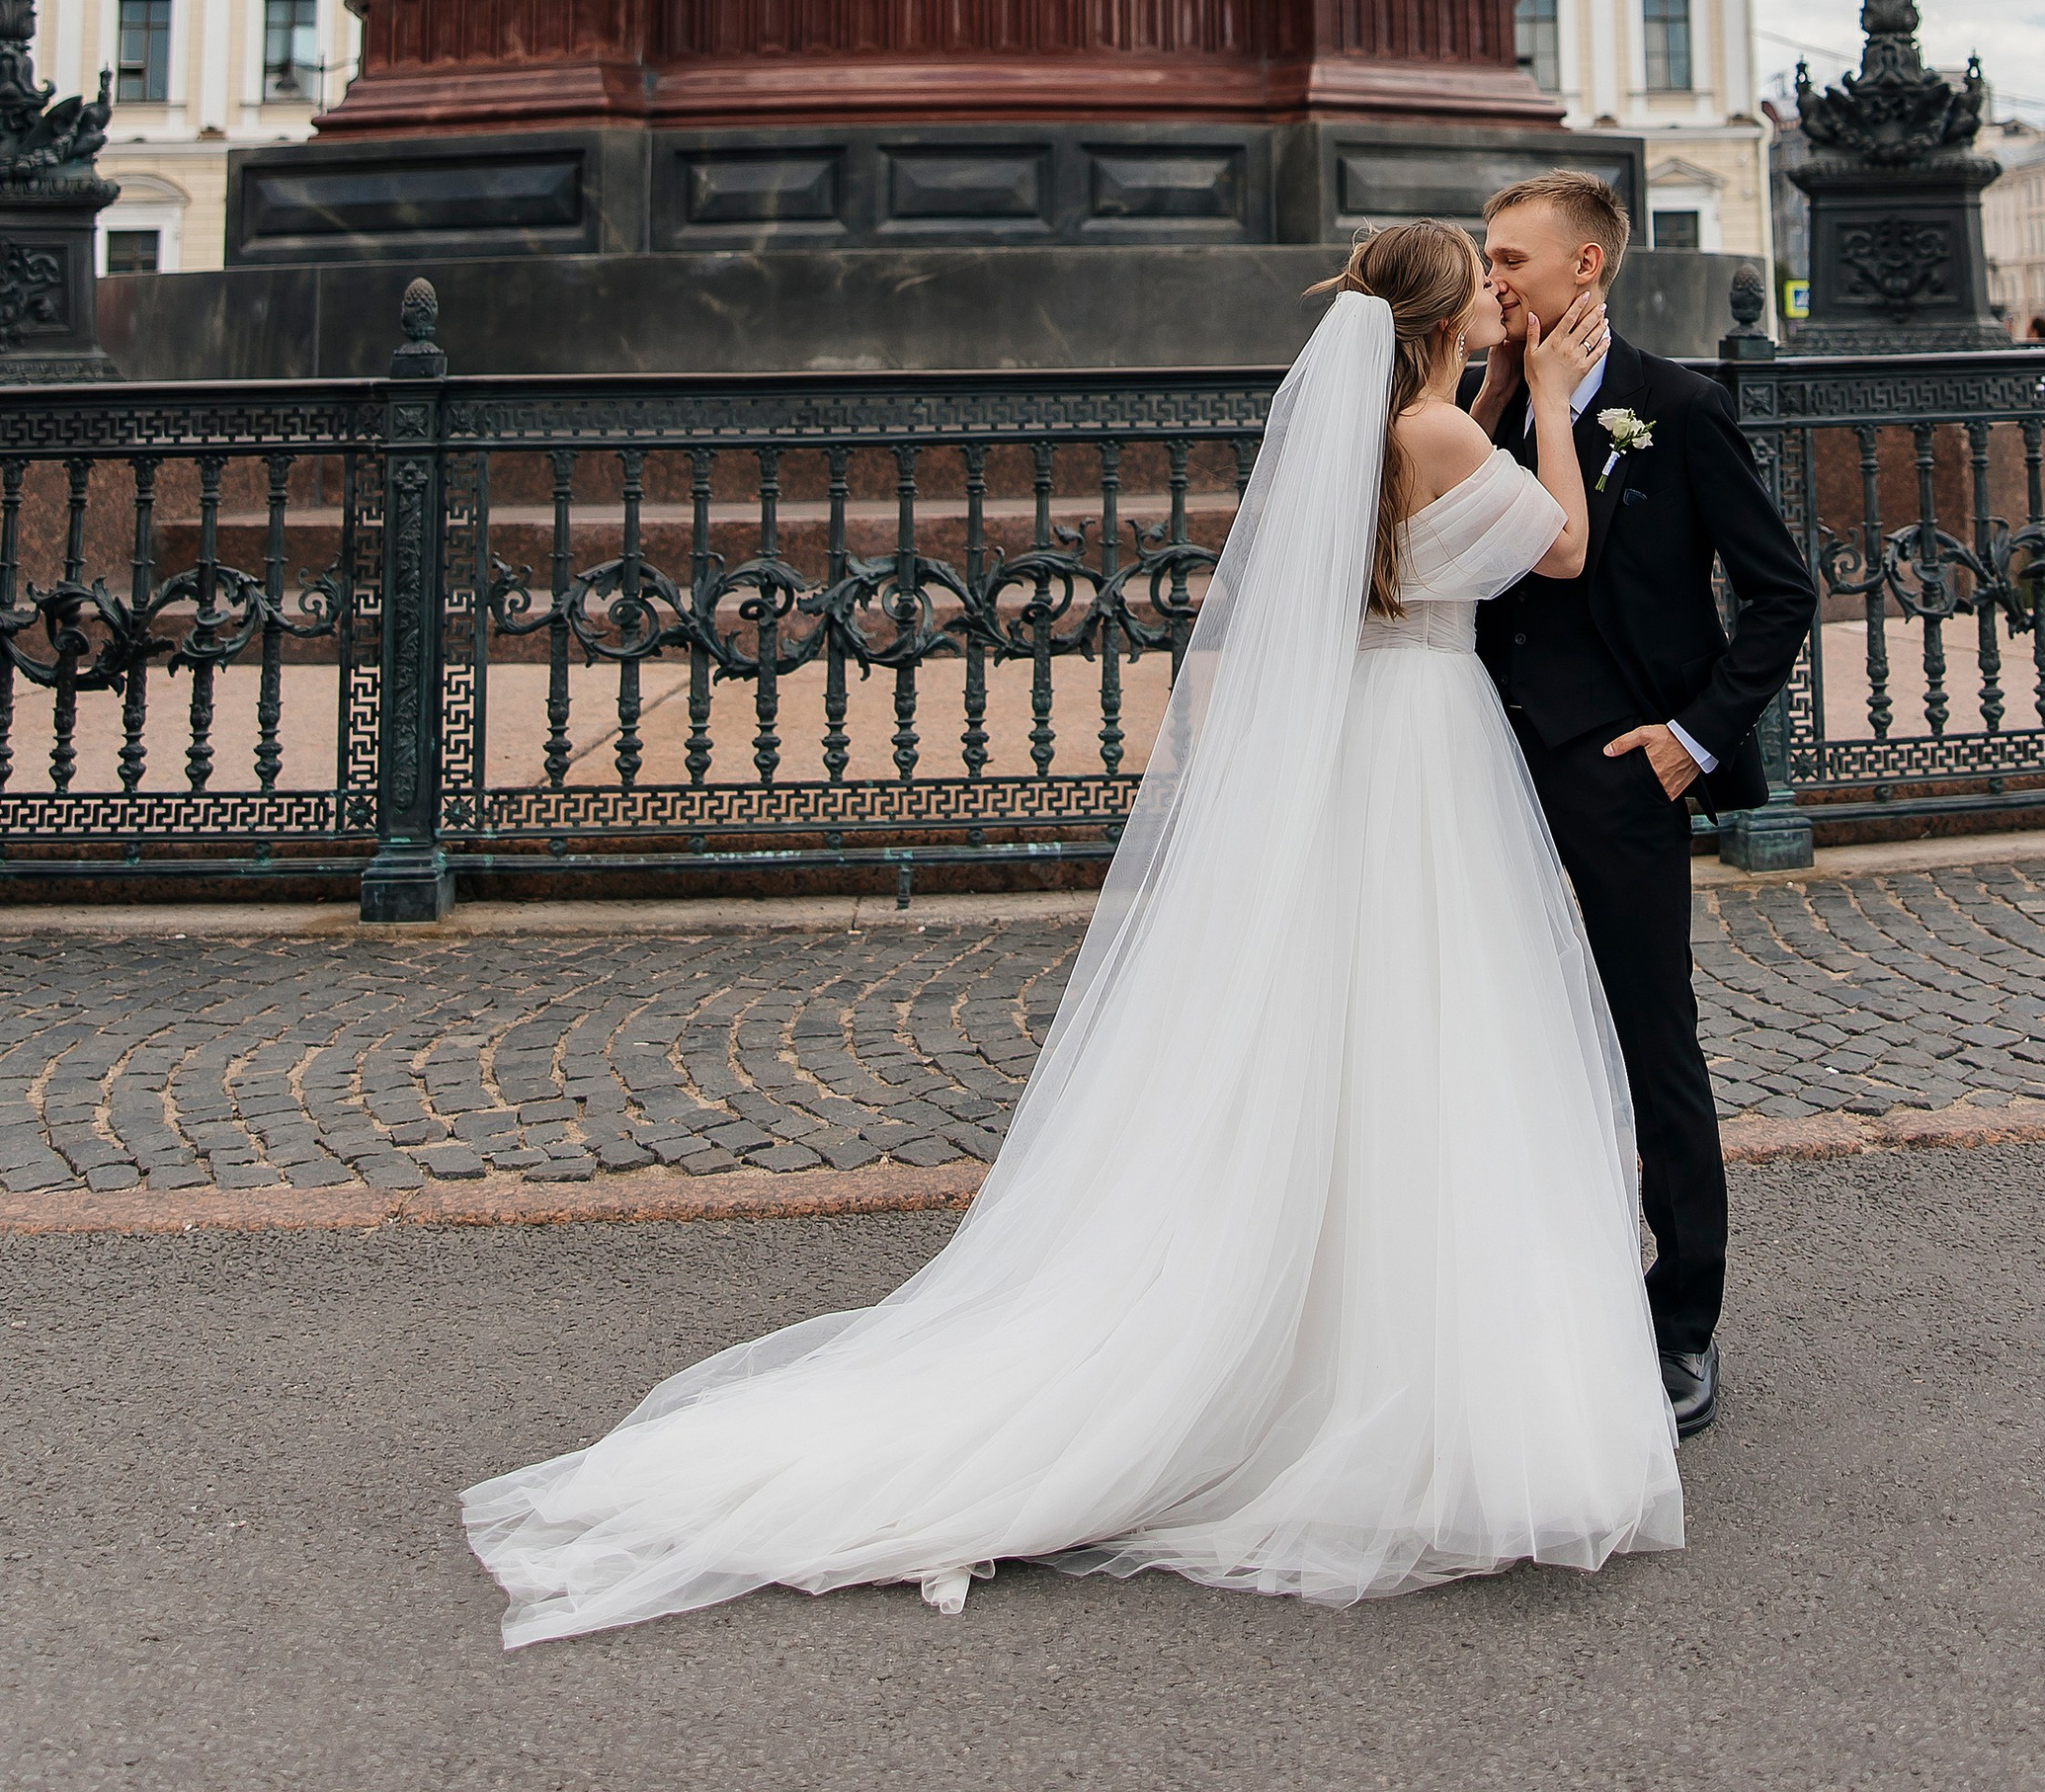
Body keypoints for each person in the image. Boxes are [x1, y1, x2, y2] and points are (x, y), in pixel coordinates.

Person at [462, 223, 1683, 1640]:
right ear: (1437, 315)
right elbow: (1565, 543)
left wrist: (1485, 397)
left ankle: (1327, 1322)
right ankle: (1417, 1368)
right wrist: (1542, 403)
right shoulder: (1452, 434)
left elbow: (1420, 490)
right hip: (1429, 746)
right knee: (1444, 1031)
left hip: (1363, 742)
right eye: (1481, 279)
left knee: (1349, 1019)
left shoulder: (1377, 433)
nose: (1501, 292)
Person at [1469, 169, 1817, 1443]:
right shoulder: (1482, 407)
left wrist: (1690, 739)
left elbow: (1780, 593)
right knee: (1497, 1025)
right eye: (1486, 257)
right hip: (1482, 759)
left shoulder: (1677, 406)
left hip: (1621, 770)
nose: (1493, 276)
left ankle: (1682, 1324)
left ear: (1588, 269)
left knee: (1647, 1035)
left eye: (1512, 257)